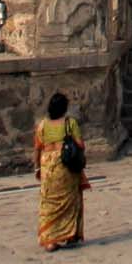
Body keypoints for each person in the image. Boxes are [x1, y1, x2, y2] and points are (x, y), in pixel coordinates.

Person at [32, 90, 88, 250]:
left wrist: (37, 167)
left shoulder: (42, 125)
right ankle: (70, 235)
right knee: (71, 200)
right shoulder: (70, 124)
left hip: (48, 166)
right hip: (66, 167)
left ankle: (50, 240)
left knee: (49, 203)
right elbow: (80, 144)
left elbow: (37, 149)